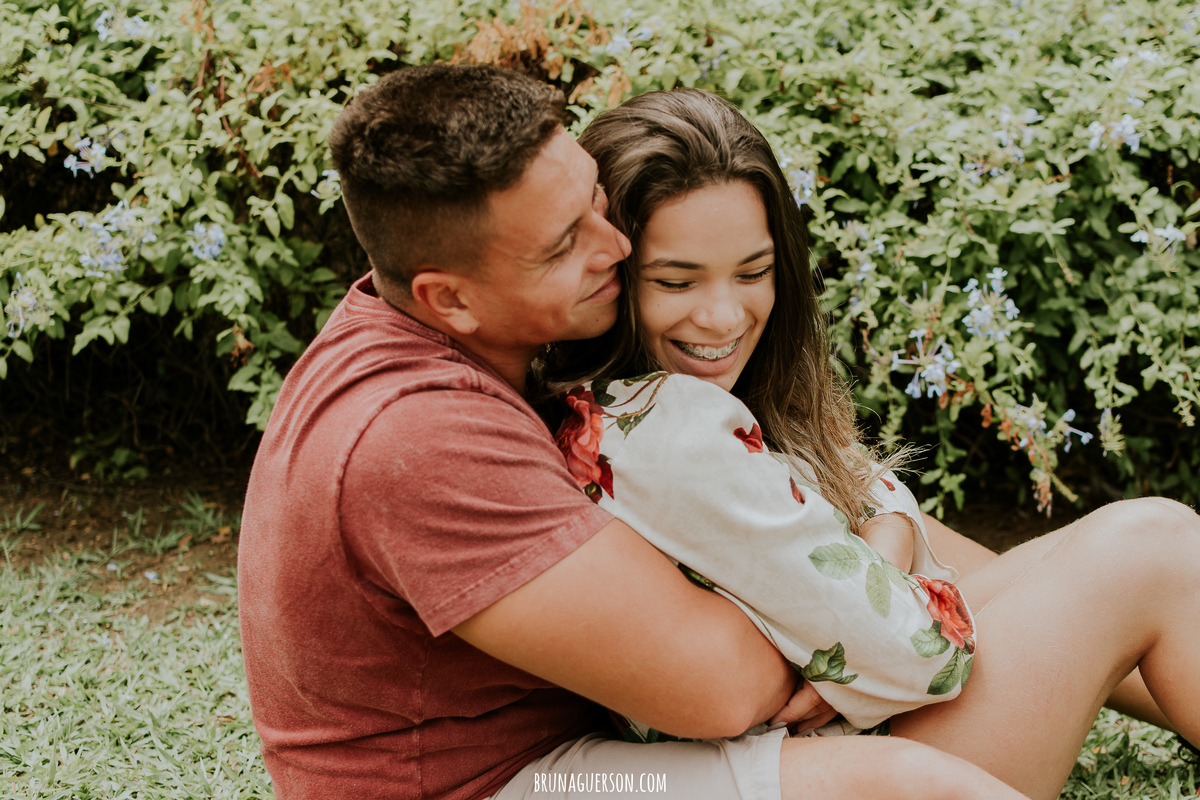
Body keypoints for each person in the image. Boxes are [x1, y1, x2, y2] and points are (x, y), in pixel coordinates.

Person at [238, 64, 1026, 800]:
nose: (616, 246)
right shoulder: (422, 438)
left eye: (595, 202)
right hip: (495, 786)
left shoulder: (427, 332)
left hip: (543, 757)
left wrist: (874, 547)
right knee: (898, 780)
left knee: (971, 555)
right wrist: (843, 613)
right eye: (565, 245)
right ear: (452, 299)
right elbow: (728, 690)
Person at [536, 87, 1200, 798]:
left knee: (1100, 567)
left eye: (754, 272)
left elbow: (876, 504)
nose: (723, 315)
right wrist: (888, 539)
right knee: (1150, 546)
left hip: (832, 744)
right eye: (675, 280)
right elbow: (919, 655)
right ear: (610, 273)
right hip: (837, 768)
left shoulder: (615, 409)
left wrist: (888, 546)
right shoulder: (670, 433)